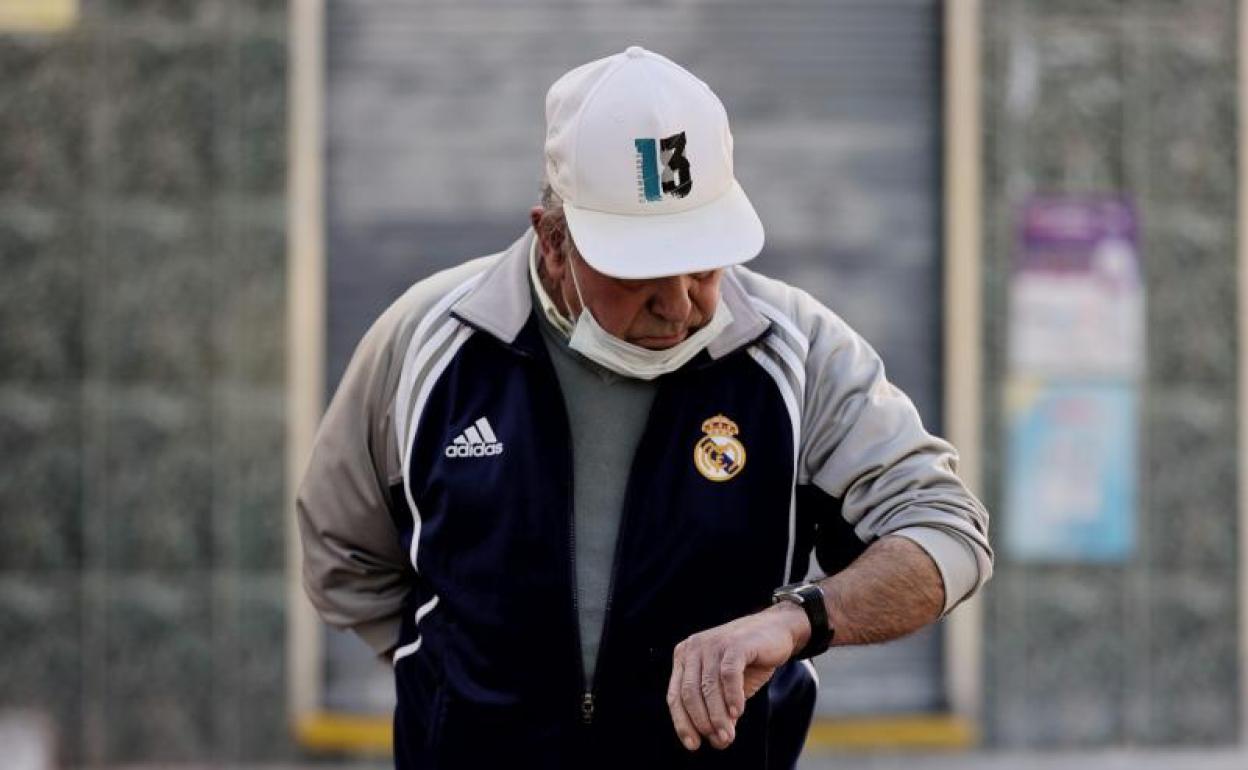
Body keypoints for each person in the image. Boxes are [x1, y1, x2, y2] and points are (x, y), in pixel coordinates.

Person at [297, 46, 992, 770]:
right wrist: (457, 684)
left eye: (704, 265)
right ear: (554, 241)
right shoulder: (429, 339)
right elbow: (342, 552)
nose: (680, 305)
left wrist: (797, 620)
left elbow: (947, 533)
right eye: (641, 273)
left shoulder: (800, 352)